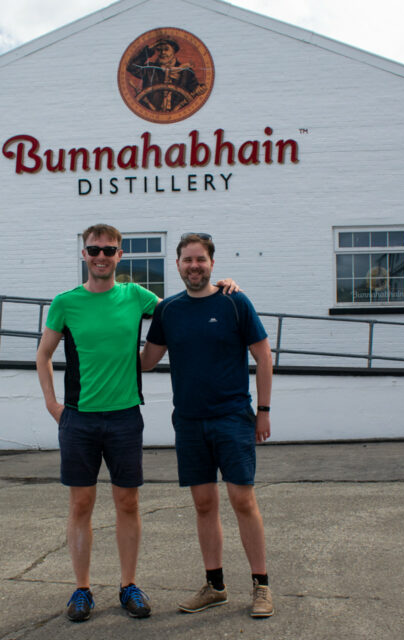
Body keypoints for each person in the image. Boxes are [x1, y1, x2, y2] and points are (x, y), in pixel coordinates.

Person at [35, 224, 238, 623]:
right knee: (81, 504)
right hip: (79, 419)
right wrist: (53, 405)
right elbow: (43, 355)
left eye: (109, 250)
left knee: (128, 503)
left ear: (119, 256)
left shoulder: (136, 296)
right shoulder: (65, 302)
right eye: (94, 250)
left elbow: (184, 305)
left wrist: (222, 286)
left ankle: (129, 584)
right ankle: (82, 589)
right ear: (84, 254)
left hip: (126, 416)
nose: (101, 257)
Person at [140, 233, 275, 618]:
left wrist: (263, 411)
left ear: (211, 263)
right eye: (187, 260)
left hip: (233, 418)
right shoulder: (169, 311)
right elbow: (147, 361)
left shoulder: (235, 302)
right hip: (189, 421)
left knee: (243, 500)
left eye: (200, 259)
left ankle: (261, 586)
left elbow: (264, 357)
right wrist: (101, 346)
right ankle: (215, 586)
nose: (194, 266)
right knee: (203, 504)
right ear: (178, 265)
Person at [126, 37, 207, 113]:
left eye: (166, 49)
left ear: (174, 51)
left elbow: (196, 88)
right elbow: (131, 67)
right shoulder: (150, 69)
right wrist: (149, 50)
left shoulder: (186, 72)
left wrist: (201, 88)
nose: (163, 53)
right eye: (159, 50)